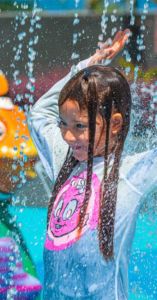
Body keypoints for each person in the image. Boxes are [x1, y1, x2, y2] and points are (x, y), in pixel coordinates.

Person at [27, 30, 157, 300]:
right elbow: (39, 114)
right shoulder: (66, 157)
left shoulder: (131, 174)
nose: (67, 135)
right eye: (64, 124)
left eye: (80, 126)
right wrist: (87, 66)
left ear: (116, 124)